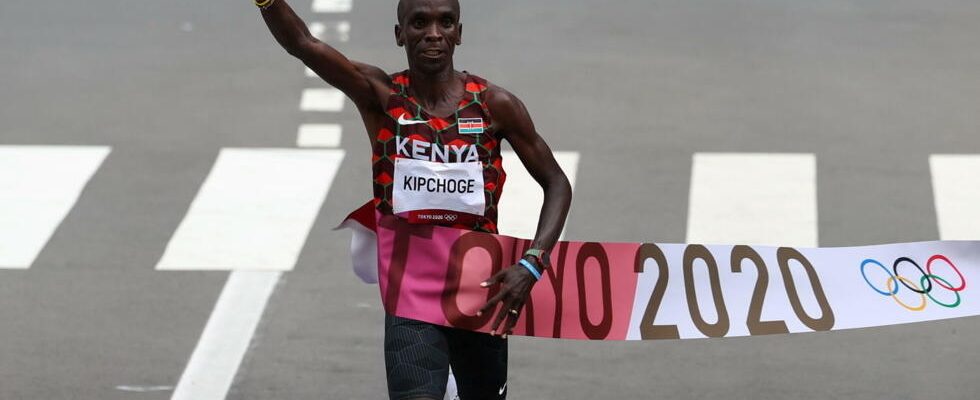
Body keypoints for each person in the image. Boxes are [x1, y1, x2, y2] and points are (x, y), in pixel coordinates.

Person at [258, 0, 572, 398]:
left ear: (459, 32)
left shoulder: (495, 105)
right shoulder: (381, 95)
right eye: (419, 23)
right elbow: (302, 42)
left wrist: (532, 263)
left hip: (479, 287)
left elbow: (556, 183)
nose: (433, 34)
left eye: (445, 23)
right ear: (399, 34)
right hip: (411, 291)